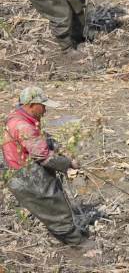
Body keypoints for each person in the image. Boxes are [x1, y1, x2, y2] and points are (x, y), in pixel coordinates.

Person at [2, 86, 87, 245]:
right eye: (43, 105)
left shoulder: (18, 116)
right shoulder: (23, 126)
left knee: (55, 207)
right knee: (57, 211)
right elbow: (44, 157)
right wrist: (69, 163)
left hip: (19, 169)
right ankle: (78, 245)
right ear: (32, 104)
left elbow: (39, 138)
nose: (45, 110)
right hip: (27, 177)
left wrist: (57, 146)